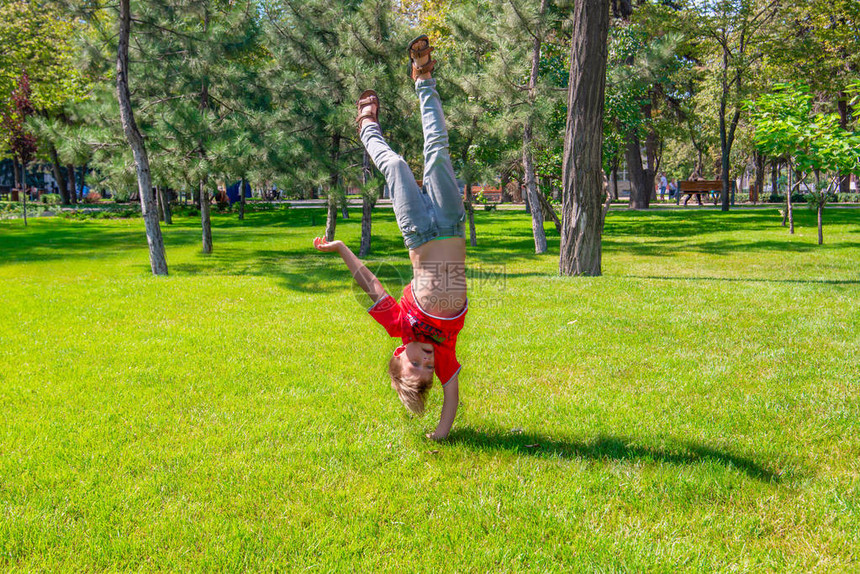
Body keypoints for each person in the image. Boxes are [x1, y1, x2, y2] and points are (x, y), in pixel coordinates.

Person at [313, 35, 467, 440]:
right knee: (437, 149)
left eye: (417, 365)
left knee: (397, 166)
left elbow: (370, 284)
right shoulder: (446, 354)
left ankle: (366, 127)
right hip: (451, 224)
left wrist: (342, 248)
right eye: (429, 370)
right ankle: (423, 76)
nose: (429, 363)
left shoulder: (399, 324)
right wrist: (440, 432)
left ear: (400, 355)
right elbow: (450, 398)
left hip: (418, 232)